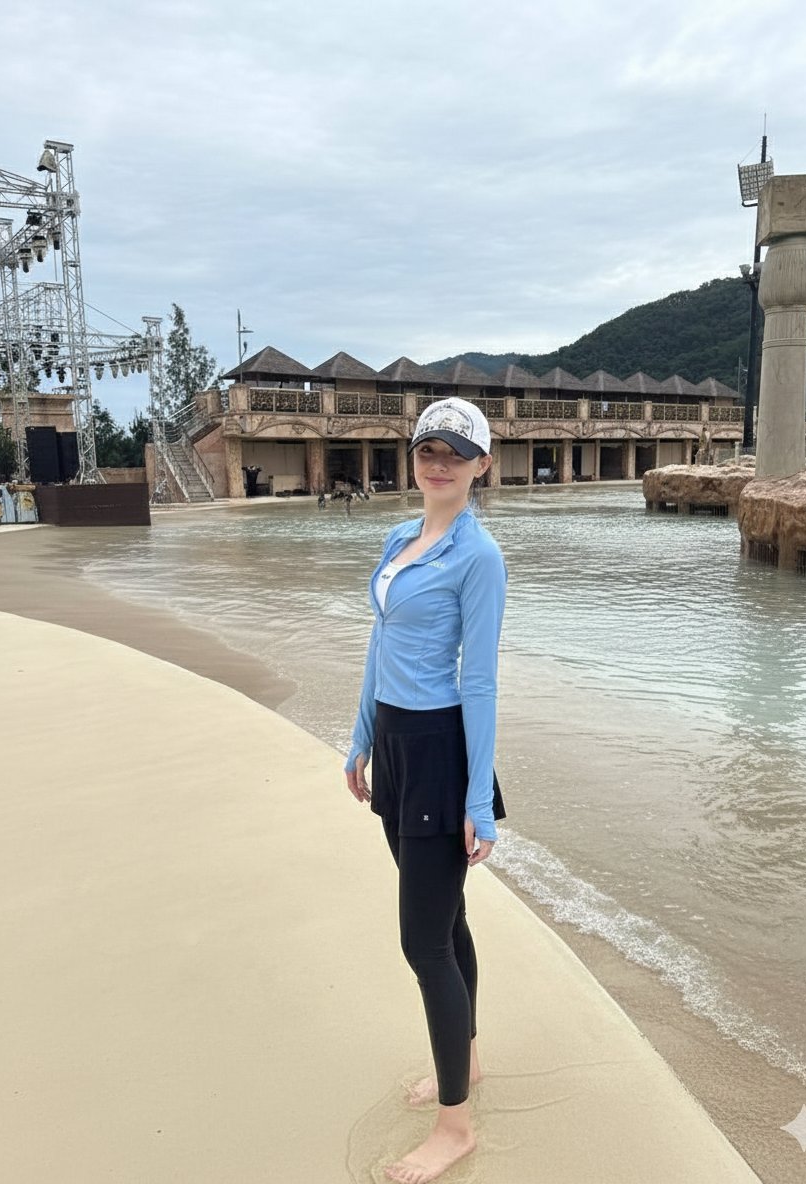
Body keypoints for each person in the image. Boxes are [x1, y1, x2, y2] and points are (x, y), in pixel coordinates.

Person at [344, 396, 507, 1184]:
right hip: (397, 748)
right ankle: (465, 1060)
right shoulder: (399, 538)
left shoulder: (480, 557)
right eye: (427, 450)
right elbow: (381, 643)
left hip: (441, 752)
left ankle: (454, 1126)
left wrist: (478, 802)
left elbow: (480, 682)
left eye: (455, 453)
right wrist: (360, 737)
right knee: (450, 921)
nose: (439, 464)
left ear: (481, 465)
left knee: (424, 943)